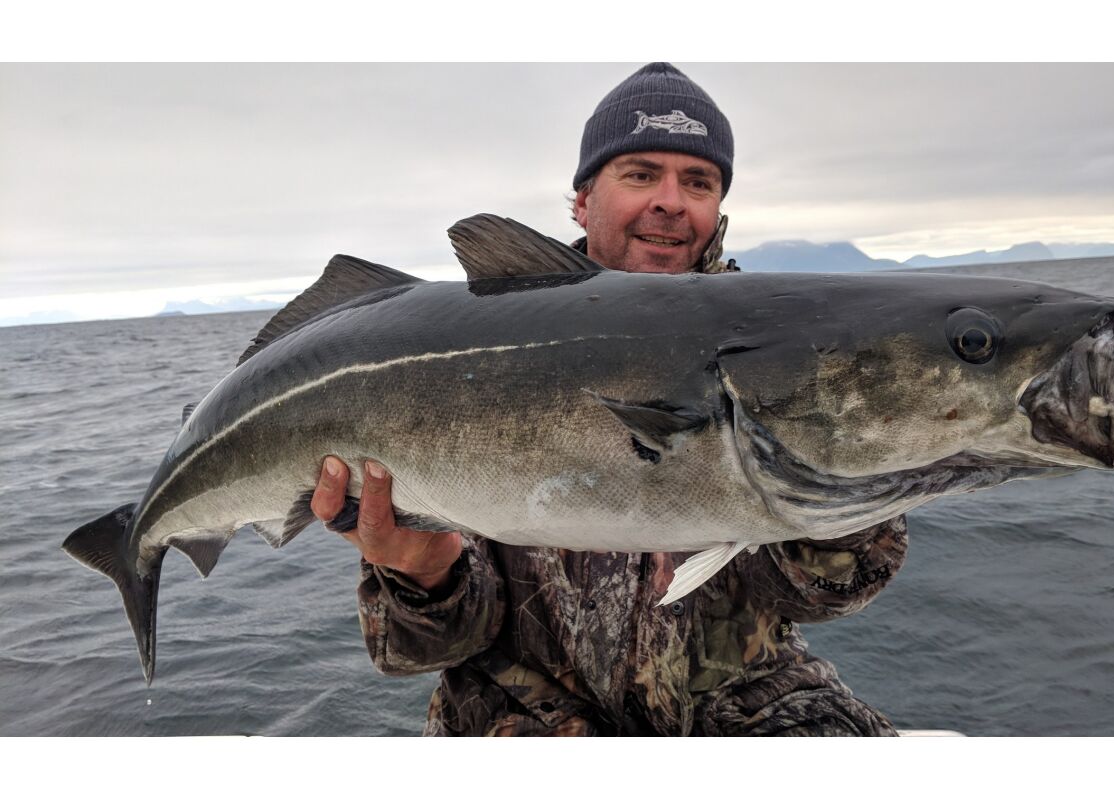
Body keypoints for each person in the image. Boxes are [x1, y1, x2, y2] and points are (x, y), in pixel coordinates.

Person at [311, 63, 908, 736]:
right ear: (582, 199)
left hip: (739, 707)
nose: (671, 201)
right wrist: (425, 572)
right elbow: (423, 650)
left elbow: (824, 596)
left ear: (718, 208)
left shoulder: (794, 350)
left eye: (698, 181)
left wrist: (842, 462)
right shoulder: (471, 349)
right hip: (519, 717)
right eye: (641, 174)